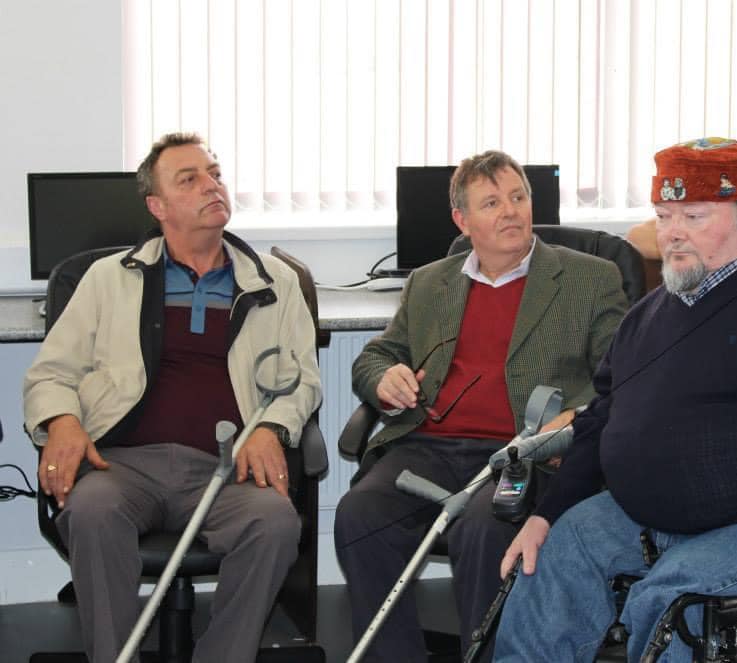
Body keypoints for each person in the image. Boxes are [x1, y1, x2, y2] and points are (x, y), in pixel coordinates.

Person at [493, 138, 737, 662]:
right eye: (663, 216)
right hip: (648, 521)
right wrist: (544, 518)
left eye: (694, 216)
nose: (672, 232)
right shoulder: (648, 313)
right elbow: (600, 421)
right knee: (549, 556)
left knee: (668, 599)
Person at [23, 132, 322, 663]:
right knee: (91, 514)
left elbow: (301, 380)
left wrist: (271, 429)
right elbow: (51, 374)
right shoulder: (107, 280)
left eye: (215, 174)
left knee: (275, 524)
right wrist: (62, 422)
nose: (212, 185)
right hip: (122, 466)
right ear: (157, 206)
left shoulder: (275, 282)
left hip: (227, 468)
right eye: (190, 179)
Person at [334, 149, 628, 662]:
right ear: (462, 220)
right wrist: (385, 379)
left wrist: (575, 419)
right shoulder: (431, 281)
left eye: (518, 197)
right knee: (360, 515)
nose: (511, 211)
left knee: (483, 529)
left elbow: (620, 375)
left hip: (521, 453)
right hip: (428, 446)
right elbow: (377, 356)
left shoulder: (590, 278)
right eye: (491, 203)